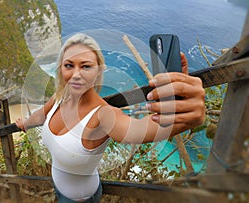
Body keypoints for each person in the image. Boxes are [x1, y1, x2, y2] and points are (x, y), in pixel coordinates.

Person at [16, 33, 205, 202]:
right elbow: (42, 114)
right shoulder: (60, 97)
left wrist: (182, 113)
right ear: (61, 70)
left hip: (80, 198)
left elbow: (141, 130)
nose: (76, 74)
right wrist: (24, 123)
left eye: (86, 66)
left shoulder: (103, 115)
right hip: (58, 185)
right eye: (69, 65)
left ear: (98, 71)